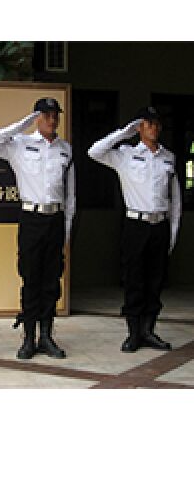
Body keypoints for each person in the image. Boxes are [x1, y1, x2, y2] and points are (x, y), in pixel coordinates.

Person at [0, 98, 75, 359]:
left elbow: (71, 196)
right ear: (37, 118)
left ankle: (47, 335)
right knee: (31, 278)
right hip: (31, 218)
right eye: (46, 115)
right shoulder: (19, 144)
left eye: (55, 115)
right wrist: (24, 123)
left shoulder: (65, 150)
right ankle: (29, 337)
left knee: (51, 280)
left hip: (55, 219)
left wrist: (66, 230)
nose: (52, 120)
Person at [88, 106, 181, 352]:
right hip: (135, 225)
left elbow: (175, 199)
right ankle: (133, 333)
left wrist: (172, 232)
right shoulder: (126, 155)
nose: (154, 127)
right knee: (134, 280)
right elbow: (94, 152)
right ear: (139, 127)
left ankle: (149, 330)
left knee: (155, 281)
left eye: (156, 123)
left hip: (160, 225)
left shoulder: (168, 157)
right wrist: (123, 133)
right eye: (148, 123)